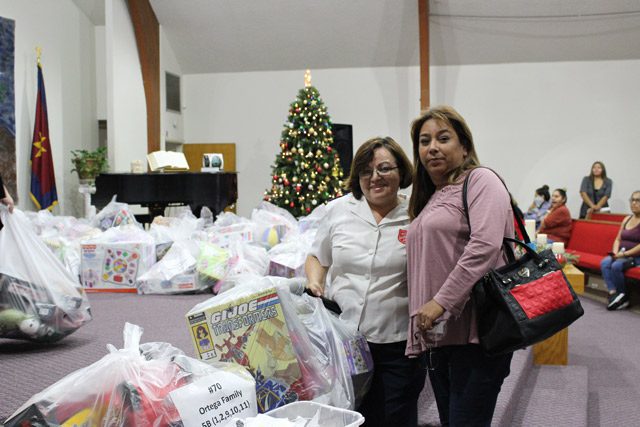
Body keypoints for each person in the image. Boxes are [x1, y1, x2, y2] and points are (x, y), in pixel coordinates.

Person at [306, 136, 426, 427]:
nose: (375, 178)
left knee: (394, 415)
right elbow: (318, 257)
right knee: (348, 415)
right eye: (366, 171)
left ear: (402, 172)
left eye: (385, 169)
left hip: (397, 341)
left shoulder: (418, 213)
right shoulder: (338, 211)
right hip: (343, 339)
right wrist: (315, 284)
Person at [406, 105, 514, 427]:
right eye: (424, 142)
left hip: (475, 335)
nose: (432, 148)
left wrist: (439, 302)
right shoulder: (431, 197)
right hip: (438, 337)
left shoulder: (481, 180)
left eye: (443, 138)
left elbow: (485, 245)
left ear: (464, 146)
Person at [601, 191, 640, 310]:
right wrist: (614, 252)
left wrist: (623, 254)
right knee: (605, 262)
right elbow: (618, 239)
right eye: (632, 200)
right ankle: (613, 293)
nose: (634, 203)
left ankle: (623, 295)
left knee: (616, 266)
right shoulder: (627, 219)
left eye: (638, 200)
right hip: (621, 254)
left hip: (635, 256)